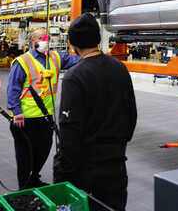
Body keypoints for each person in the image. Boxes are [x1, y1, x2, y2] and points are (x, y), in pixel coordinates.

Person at [54, 13, 137, 210]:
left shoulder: (74, 77)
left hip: (87, 170)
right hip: (116, 165)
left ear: (73, 44)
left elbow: (69, 132)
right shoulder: (119, 68)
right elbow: (131, 115)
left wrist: (63, 174)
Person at [7, 28, 80, 188]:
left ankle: (34, 179)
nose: (44, 41)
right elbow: (13, 89)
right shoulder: (22, 62)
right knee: (25, 155)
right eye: (40, 38)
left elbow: (78, 60)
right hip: (25, 119)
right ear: (32, 41)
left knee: (43, 151)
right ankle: (25, 186)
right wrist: (16, 112)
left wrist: (93, 56)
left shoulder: (55, 57)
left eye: (46, 37)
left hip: (46, 116)